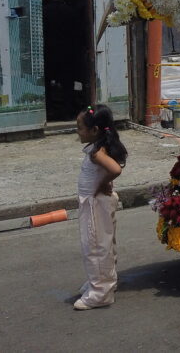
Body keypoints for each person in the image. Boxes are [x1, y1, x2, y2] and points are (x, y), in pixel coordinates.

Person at [74, 104, 127, 310]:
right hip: (96, 202)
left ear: (94, 130)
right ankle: (103, 280)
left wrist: (103, 183)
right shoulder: (99, 146)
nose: (77, 132)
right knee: (103, 243)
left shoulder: (97, 153)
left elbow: (114, 169)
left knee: (95, 246)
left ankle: (100, 292)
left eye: (80, 128)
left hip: (95, 204)